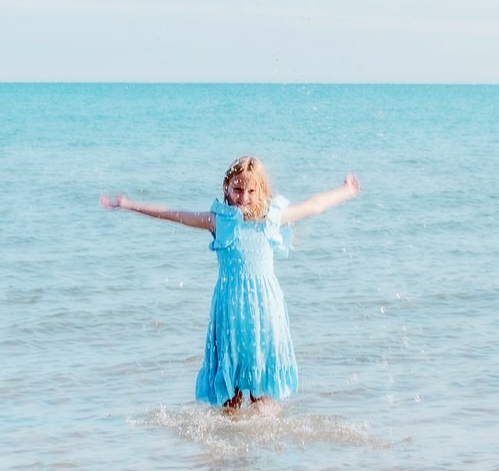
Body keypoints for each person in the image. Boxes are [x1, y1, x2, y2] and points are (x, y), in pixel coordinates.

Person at [101, 156, 360, 413]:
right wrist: (128, 204)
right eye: (237, 189)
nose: (243, 197)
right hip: (229, 309)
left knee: (262, 391)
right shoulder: (218, 221)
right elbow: (171, 214)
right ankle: (231, 435)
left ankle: (266, 433)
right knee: (229, 394)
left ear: (262, 191)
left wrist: (346, 190)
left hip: (264, 310)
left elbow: (314, 206)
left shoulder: (272, 218)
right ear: (226, 187)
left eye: (251, 191)